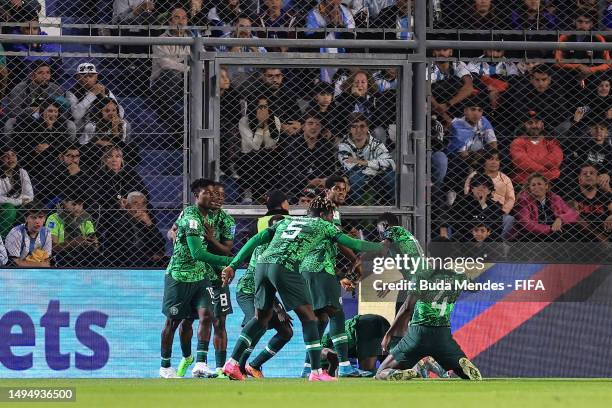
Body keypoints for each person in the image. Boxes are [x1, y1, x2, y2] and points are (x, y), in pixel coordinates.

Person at [220, 197, 386, 382]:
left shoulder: (287, 220)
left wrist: (233, 265)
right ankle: (315, 372)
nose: (333, 219)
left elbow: (257, 239)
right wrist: (383, 246)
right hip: (284, 267)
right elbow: (354, 244)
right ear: (324, 215)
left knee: (261, 318)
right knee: (309, 318)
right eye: (331, 215)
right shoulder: (325, 225)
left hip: (262, 265)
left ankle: (232, 363)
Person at [159, 179, 234, 378]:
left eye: (217, 194)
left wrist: (221, 256)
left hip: (207, 276)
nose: (214, 198)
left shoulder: (226, 221)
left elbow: (225, 247)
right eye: (210, 193)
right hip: (181, 275)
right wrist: (231, 261)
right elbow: (195, 250)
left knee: (212, 318)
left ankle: (204, 364)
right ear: (197, 196)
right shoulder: (191, 217)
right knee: (177, 321)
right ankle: (167, 365)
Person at [299, 175, 364, 378]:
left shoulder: (319, 210)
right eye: (337, 188)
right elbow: (338, 241)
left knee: (321, 318)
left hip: (312, 268)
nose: (342, 192)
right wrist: (355, 260)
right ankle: (344, 366)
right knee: (336, 313)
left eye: (344, 189)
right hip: (319, 269)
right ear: (327, 191)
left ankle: (308, 368)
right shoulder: (329, 212)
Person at [376, 269, 482, 381]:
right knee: (465, 374)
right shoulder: (459, 277)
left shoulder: (421, 275)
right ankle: (461, 364)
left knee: (381, 372)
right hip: (443, 336)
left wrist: (388, 334)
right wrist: (468, 281)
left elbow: (407, 308)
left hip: (418, 333)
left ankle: (398, 372)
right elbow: (475, 288)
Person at [235, 214, 293, 378]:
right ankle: (237, 368)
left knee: (286, 332)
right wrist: (278, 306)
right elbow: (262, 282)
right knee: (258, 322)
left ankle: (254, 365)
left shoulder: (287, 250)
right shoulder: (262, 249)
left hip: (266, 294)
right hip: (248, 292)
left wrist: (280, 306)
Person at [337, 113, 395, 205]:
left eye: (362, 126)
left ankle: (387, 205)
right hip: (354, 175)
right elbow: (351, 166)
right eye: (354, 127)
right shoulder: (344, 145)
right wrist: (375, 165)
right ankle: (356, 211)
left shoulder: (376, 144)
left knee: (391, 176)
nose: (358, 130)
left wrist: (361, 162)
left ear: (368, 128)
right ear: (349, 129)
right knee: (357, 178)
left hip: (377, 175)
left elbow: (389, 163)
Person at [514, 173, 581, 242]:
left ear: (546, 186)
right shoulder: (523, 200)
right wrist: (550, 228)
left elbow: (573, 214)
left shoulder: (555, 198)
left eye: (539, 184)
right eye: (533, 185)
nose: (536, 187)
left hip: (556, 231)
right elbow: (526, 224)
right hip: (534, 235)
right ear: (529, 188)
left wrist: (560, 219)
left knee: (572, 232)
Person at [320, 314, 390, 377]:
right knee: (387, 367)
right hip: (381, 322)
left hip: (365, 325)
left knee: (367, 371)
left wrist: (328, 374)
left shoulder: (321, 350)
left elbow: (329, 354)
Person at [65, 63, 124, 132]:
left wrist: (104, 98)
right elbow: (76, 115)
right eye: (84, 76)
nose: (87, 80)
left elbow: (118, 110)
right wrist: (92, 94)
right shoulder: (71, 93)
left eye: (90, 76)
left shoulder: (104, 90)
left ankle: (120, 142)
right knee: (89, 127)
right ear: (77, 77)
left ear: (96, 77)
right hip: (82, 126)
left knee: (125, 124)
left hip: (104, 123)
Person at [509, 111, 564, 185]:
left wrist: (532, 163)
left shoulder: (551, 141)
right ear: (525, 125)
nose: (534, 126)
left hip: (550, 183)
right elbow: (521, 162)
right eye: (530, 123)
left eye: (537, 122)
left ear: (542, 124)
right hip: (524, 184)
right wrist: (545, 170)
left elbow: (556, 160)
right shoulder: (517, 142)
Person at [45, 195, 99, 267]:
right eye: (74, 204)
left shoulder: (86, 217)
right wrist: (73, 243)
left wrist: (93, 243)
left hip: (83, 257)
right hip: (61, 257)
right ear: (64, 203)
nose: (77, 208)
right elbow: (53, 247)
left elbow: (95, 243)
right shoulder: (53, 218)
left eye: (80, 204)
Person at [566, 164, 612, 242]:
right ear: (579, 179)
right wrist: (601, 237)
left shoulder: (605, 195)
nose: (588, 175)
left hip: (605, 236)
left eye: (592, 173)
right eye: (584, 173)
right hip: (579, 241)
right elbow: (578, 220)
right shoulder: (572, 195)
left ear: (597, 178)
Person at [4, 202, 52, 268]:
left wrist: (43, 264)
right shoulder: (16, 233)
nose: (37, 221)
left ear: (44, 219)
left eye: (40, 217)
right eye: (33, 217)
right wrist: (40, 265)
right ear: (26, 219)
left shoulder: (46, 233)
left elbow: (47, 259)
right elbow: (14, 262)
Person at [0, 146, 33, 237]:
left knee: (30, 210)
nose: (11, 158)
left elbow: (29, 195)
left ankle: (20, 239)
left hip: (18, 204)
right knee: (10, 210)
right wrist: (18, 201)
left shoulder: (22, 172)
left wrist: (19, 201)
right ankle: (1, 239)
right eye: (6, 156)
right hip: (4, 206)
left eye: (13, 155)